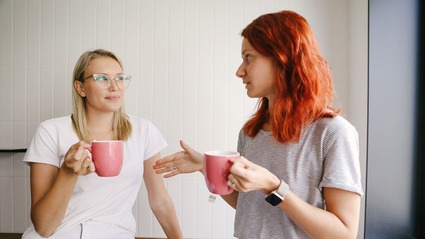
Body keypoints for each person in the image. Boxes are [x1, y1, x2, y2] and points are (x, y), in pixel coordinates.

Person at [153, 10, 363, 239]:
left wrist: (274, 187)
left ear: (282, 57)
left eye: (248, 57)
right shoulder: (250, 132)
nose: (239, 71)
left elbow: (344, 233)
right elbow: (248, 207)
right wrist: (206, 167)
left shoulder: (333, 133)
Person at [22, 49, 183, 239]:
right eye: (102, 79)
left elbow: (160, 201)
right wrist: (67, 171)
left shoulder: (144, 131)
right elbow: (43, 227)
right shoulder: (50, 131)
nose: (114, 87)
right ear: (81, 88)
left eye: (120, 78)